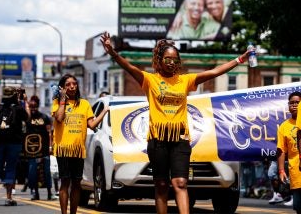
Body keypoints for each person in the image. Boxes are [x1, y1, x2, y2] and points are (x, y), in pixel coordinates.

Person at [100, 31, 251, 214]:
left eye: (174, 59)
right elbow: (129, 68)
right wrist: (112, 52)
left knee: (180, 182)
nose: (171, 62)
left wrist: (239, 60)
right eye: (167, 59)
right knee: (161, 184)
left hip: (180, 139)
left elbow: (214, 72)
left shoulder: (185, 81)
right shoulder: (150, 80)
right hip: (158, 140)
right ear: (159, 60)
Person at [51, 73, 109, 214]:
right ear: (63, 88)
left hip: (78, 149)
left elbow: (92, 124)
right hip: (63, 148)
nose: (72, 87)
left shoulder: (84, 104)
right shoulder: (57, 103)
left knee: (77, 183)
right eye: (68, 84)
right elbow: (59, 118)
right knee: (65, 182)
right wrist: (63, 100)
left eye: (74, 84)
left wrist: (104, 111)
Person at [0, 86, 29, 206]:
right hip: (13, 142)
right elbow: (27, 118)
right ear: (14, 97)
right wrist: (23, 100)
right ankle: (8, 198)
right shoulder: (19, 108)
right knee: (10, 168)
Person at [25, 95, 56, 201]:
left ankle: (49, 192)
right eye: (31, 106)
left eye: (35, 106)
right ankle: (35, 193)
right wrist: (26, 102)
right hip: (32, 149)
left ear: (38, 106)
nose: (33, 108)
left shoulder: (44, 117)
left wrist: (51, 146)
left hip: (44, 148)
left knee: (46, 170)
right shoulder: (28, 117)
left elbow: (49, 133)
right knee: (32, 170)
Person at [277, 91, 301, 213]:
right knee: (299, 207)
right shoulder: (284, 126)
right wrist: (281, 170)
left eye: (297, 102)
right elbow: (281, 150)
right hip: (296, 174)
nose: (294, 105)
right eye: (291, 103)